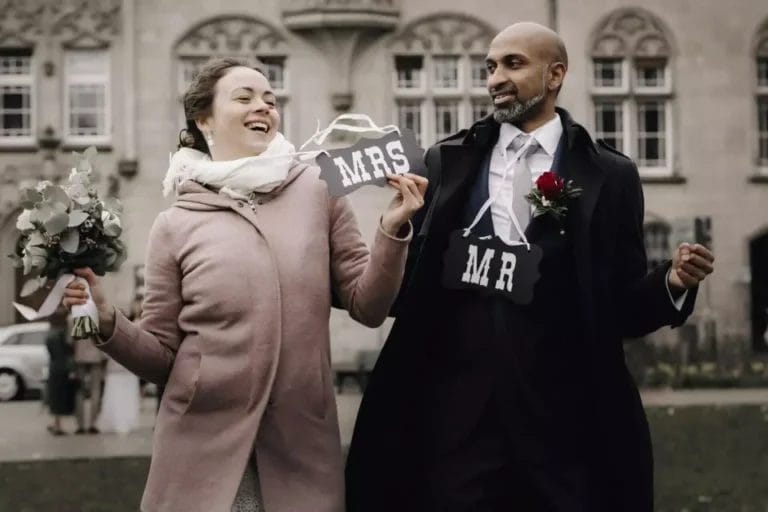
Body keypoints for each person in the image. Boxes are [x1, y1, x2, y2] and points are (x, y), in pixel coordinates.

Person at [346, 22, 715, 512]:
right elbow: (409, 291)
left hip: (564, 422)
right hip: (458, 419)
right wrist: (392, 231)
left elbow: (621, 307)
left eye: (513, 64)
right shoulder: (446, 162)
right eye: (490, 67)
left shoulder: (610, 174)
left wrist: (671, 282)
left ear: (555, 74)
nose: (496, 77)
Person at [62, 57, 427, 512]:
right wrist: (107, 320)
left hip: (300, 438)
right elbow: (161, 356)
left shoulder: (319, 189)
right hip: (200, 443)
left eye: (270, 99)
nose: (264, 106)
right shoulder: (173, 224)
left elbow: (367, 306)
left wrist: (391, 229)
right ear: (204, 119)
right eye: (244, 97)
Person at [44, 310, 77, 435]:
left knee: (54, 396)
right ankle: (57, 425)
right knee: (60, 396)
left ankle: (55, 422)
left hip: (53, 367)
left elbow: (50, 351)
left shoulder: (50, 334)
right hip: (63, 367)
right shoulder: (62, 334)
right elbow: (69, 350)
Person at [72, 323, 107, 435]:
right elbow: (102, 339)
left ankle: (80, 425)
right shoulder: (97, 318)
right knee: (95, 390)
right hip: (96, 357)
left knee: (79, 391)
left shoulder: (72, 319)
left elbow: (70, 341)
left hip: (79, 357)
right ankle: (93, 424)